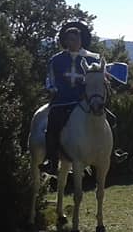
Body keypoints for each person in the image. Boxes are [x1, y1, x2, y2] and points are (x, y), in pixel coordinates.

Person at [41, 22, 102, 174]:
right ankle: (52, 161)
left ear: (81, 40)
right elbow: (50, 79)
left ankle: (112, 153)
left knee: (111, 120)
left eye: (74, 39)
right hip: (62, 100)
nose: (71, 43)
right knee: (53, 125)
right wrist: (52, 89)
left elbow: (99, 78)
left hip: (85, 100)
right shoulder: (56, 60)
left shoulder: (93, 58)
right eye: (68, 39)